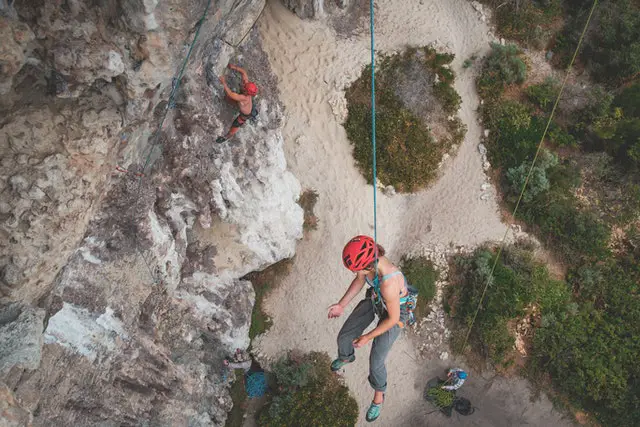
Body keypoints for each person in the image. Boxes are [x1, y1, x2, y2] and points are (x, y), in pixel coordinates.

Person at [328, 235, 418, 422]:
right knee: (344, 337)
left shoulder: (389, 281)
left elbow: (392, 319)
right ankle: (346, 356)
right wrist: (341, 305)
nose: (355, 272)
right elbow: (360, 280)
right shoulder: (369, 261)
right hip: (377, 298)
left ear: (368, 265)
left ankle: (379, 395)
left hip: (395, 313)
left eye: (356, 269)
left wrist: (368, 336)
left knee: (376, 360)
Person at [216, 63, 258, 143]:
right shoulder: (246, 88)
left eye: (244, 87)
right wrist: (234, 67)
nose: (243, 85)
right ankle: (253, 113)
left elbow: (231, 94)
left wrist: (223, 82)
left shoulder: (243, 98)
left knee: (235, 126)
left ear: (246, 92)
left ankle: (225, 137)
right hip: (248, 106)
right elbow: (244, 72)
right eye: (245, 85)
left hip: (244, 115)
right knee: (227, 99)